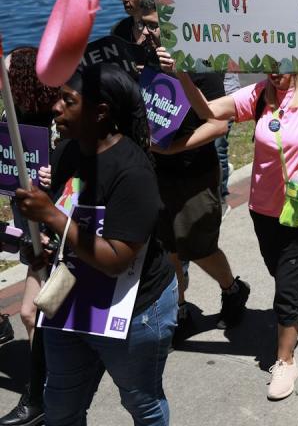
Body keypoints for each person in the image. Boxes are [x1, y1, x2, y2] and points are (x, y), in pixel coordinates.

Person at [15, 63, 177, 425]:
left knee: (142, 404)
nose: (56, 108)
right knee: (60, 408)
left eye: (68, 101)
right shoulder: (67, 153)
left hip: (132, 311)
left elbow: (117, 259)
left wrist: (54, 218)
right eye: (58, 98)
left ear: (100, 112)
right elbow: (67, 224)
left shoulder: (133, 172)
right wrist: (40, 245)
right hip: (70, 302)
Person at [177, 57, 298, 400]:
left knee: (284, 288)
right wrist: (180, 75)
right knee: (279, 269)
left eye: (281, 65)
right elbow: (208, 111)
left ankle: (284, 360)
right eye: (269, 65)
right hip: (263, 207)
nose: (275, 72)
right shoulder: (258, 95)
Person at [144, 0, 249, 341]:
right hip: (158, 174)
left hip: (194, 173)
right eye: (144, 26)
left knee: (199, 246)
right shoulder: (146, 62)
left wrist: (173, 147)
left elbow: (218, 124)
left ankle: (233, 289)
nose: (147, 33)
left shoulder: (201, 62)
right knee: (169, 248)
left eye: (154, 27)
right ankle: (181, 309)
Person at [0, 44, 58, 426]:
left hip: (59, 235)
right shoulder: (10, 119)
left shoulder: (59, 123)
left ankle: (41, 394)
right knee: (32, 313)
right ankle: (48, 388)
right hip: (30, 232)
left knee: (31, 312)